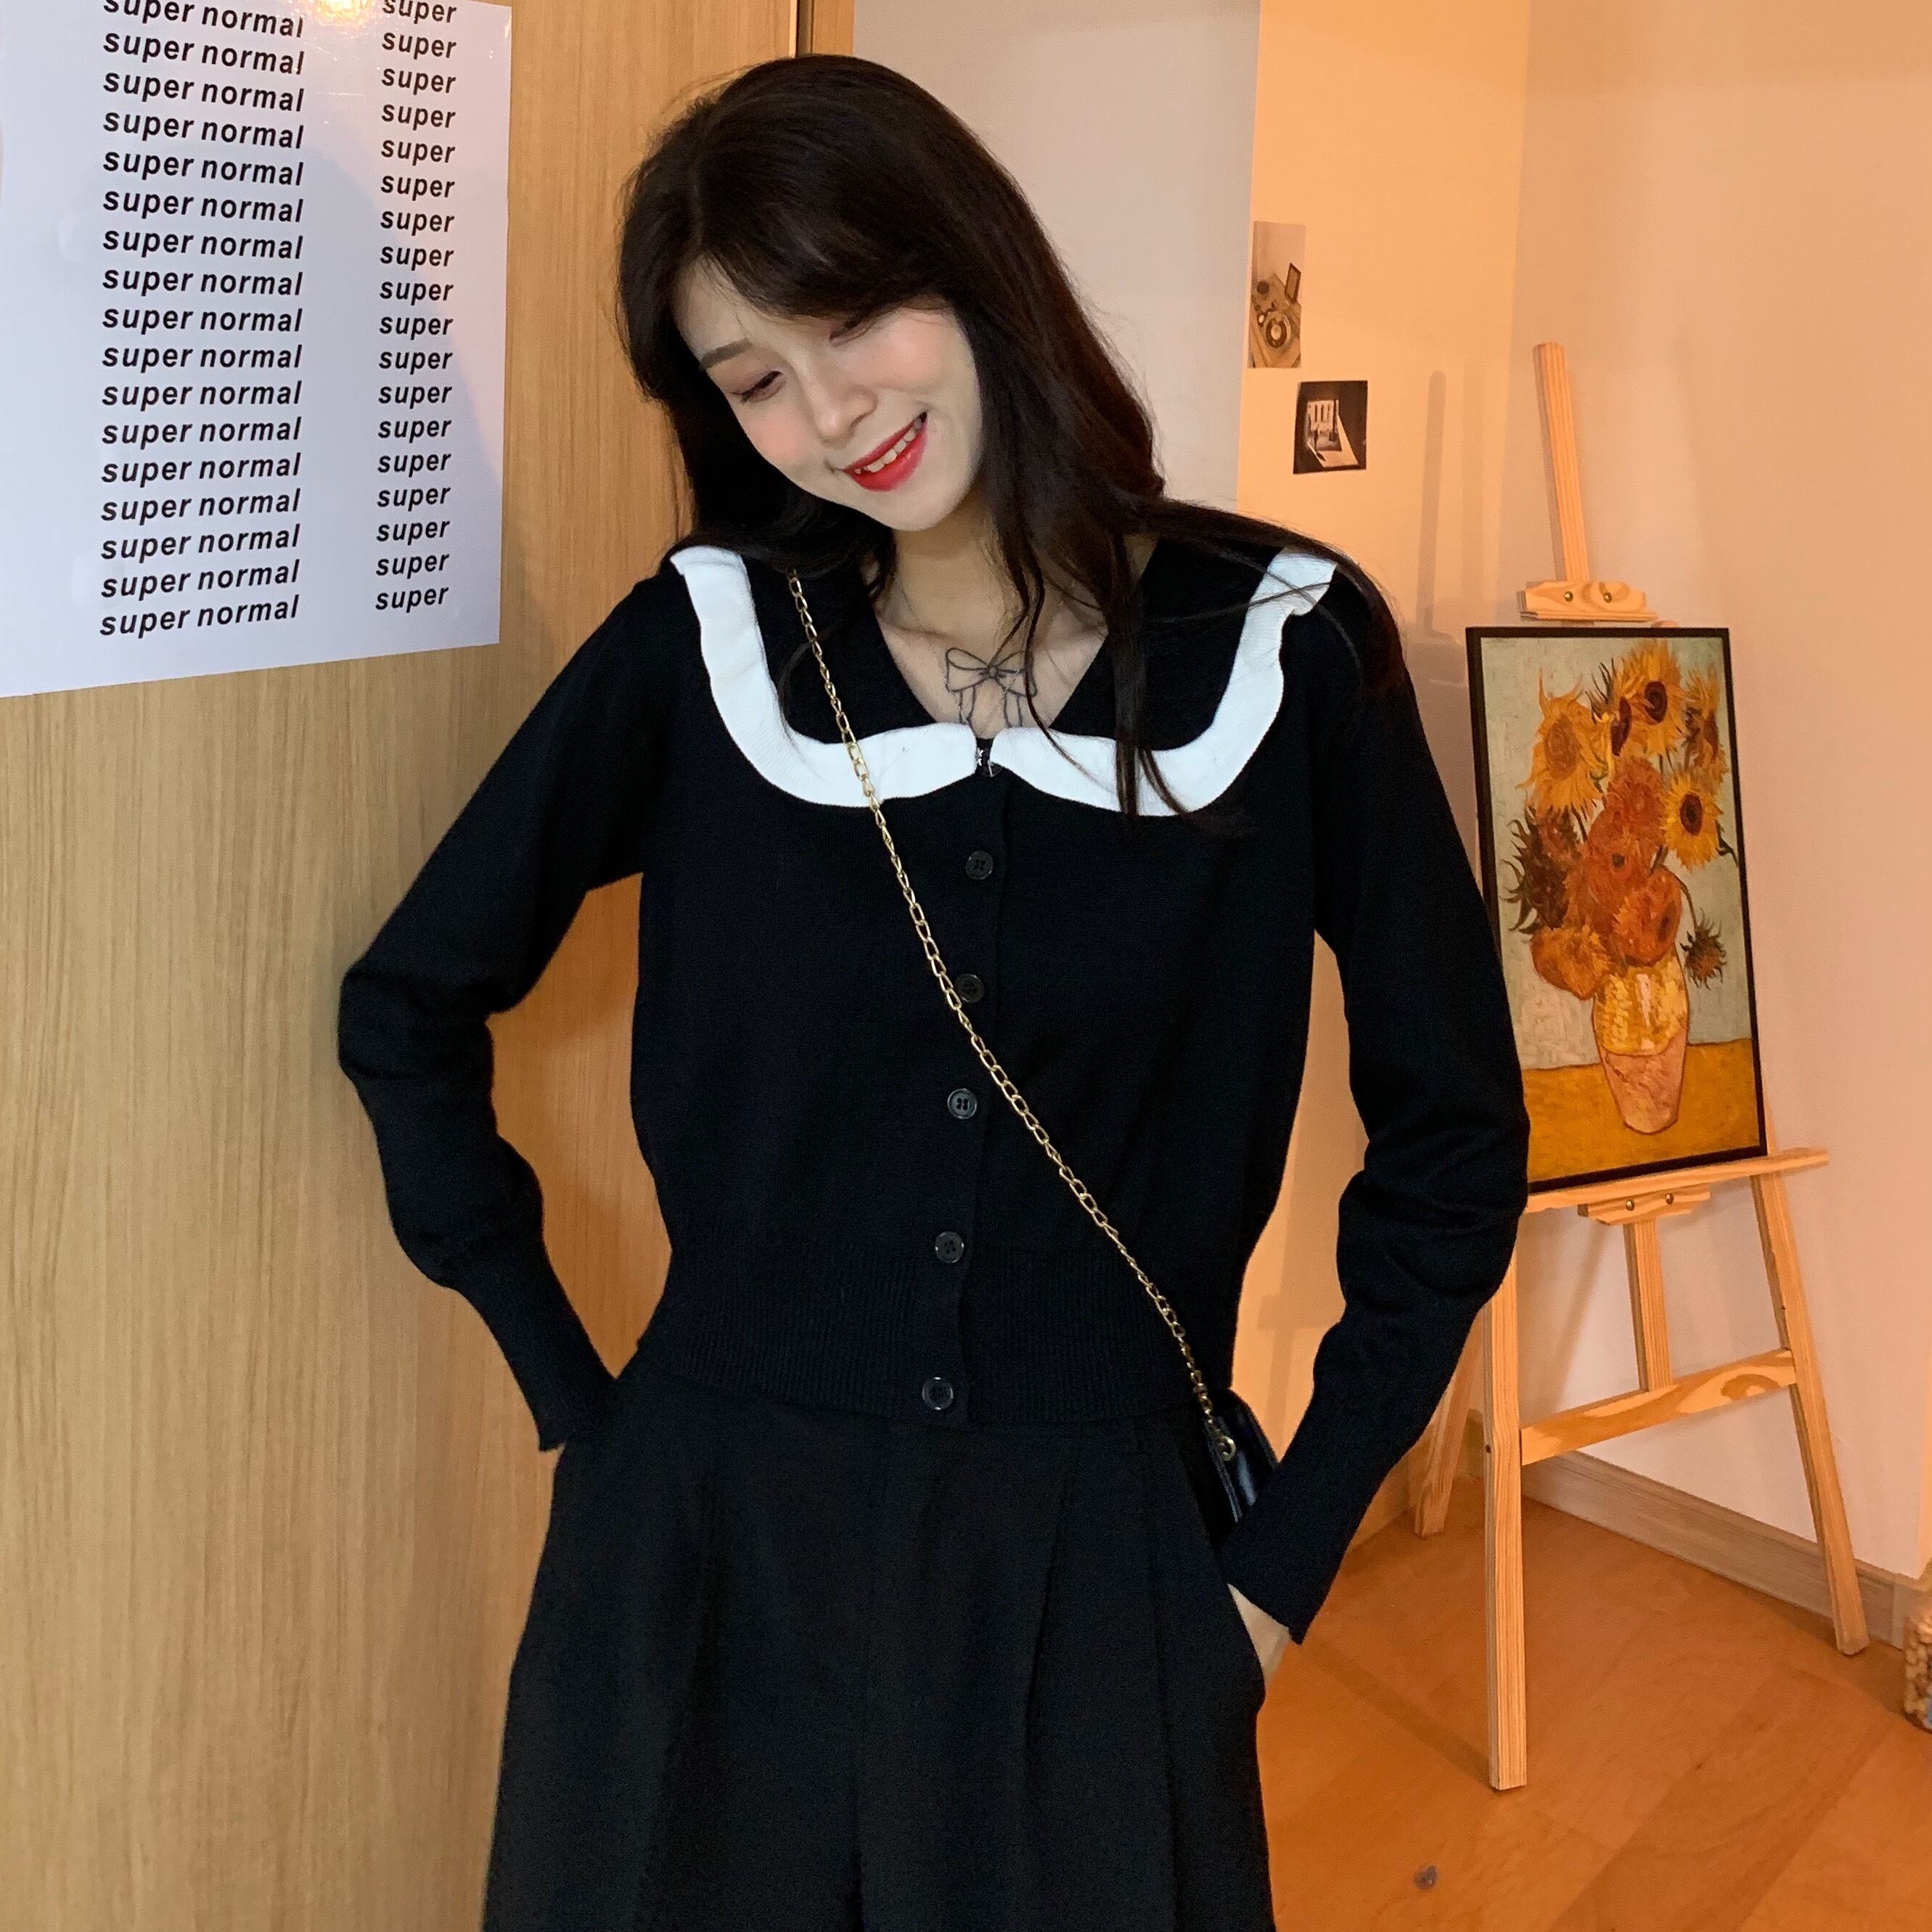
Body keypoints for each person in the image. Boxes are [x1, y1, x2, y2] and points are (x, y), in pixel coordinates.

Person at [335, 52, 1531, 1932]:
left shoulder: (1289, 654)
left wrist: (1281, 1565)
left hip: (1106, 1577)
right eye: (752, 378)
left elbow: (1455, 1140)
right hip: (708, 1564)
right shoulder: (712, 650)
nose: (827, 413)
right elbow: (407, 1004)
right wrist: (582, 1408)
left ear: (969, 263)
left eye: (845, 319)